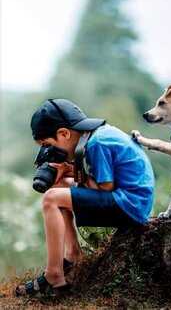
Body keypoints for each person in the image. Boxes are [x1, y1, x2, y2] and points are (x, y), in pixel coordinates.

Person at [15, 98, 155, 297]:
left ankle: (54, 273)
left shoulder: (97, 143)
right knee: (59, 186)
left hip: (130, 205)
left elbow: (106, 187)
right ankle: (73, 253)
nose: (48, 152)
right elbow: (101, 183)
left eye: (48, 145)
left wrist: (70, 171)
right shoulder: (96, 136)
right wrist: (68, 173)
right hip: (129, 199)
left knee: (51, 199)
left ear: (64, 133)